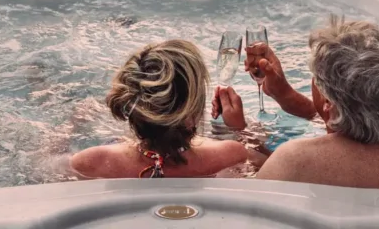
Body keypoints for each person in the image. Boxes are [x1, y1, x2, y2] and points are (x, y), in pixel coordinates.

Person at [212, 16, 379, 188]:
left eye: (315, 78)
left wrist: (238, 132)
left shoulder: (294, 161)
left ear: (329, 104)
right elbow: (351, 121)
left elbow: (245, 193)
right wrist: (285, 94)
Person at [70, 39, 260, 178]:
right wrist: (241, 129)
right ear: (191, 111)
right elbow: (270, 171)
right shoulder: (230, 155)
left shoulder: (91, 162)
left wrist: (73, 126)